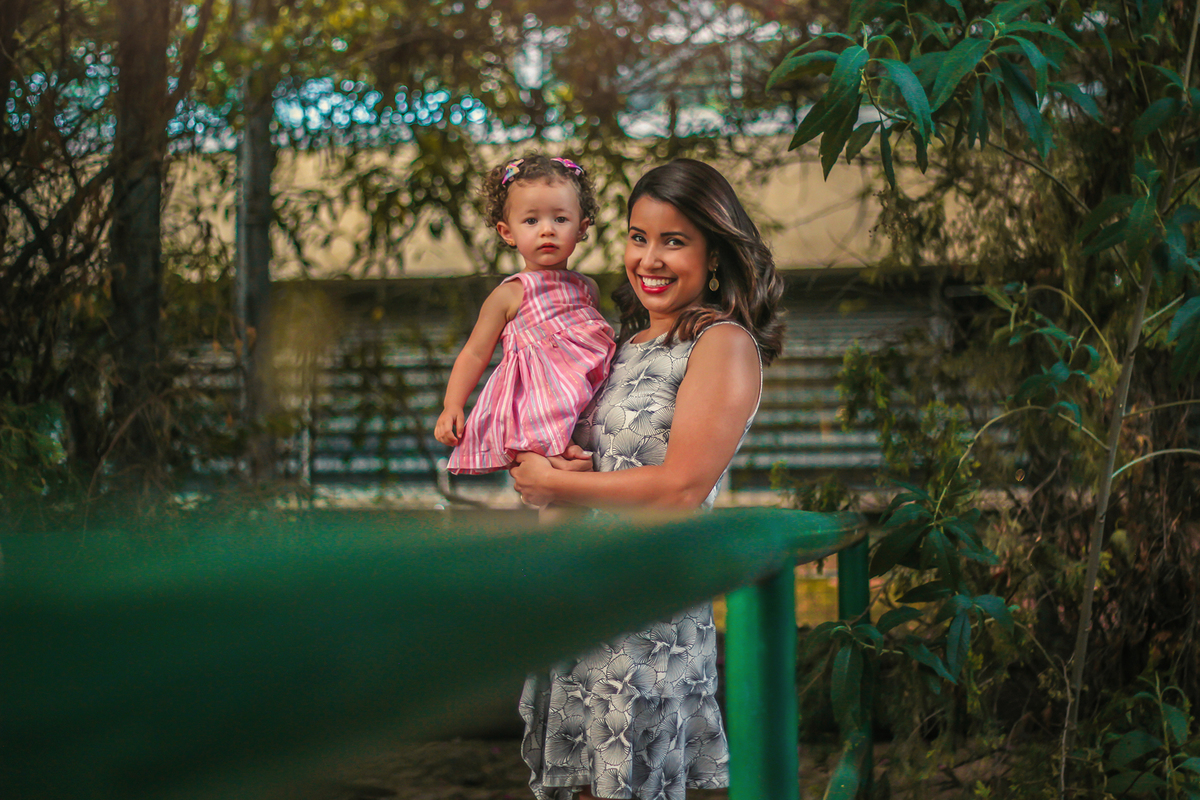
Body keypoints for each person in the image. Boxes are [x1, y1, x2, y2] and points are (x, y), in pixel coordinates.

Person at [509, 159, 786, 800]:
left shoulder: (722, 343)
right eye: (638, 237)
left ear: (713, 255)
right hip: (583, 599)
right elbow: (591, 461)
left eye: (674, 241)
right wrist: (553, 469)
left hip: (649, 616)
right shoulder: (620, 345)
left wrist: (557, 485)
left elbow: (681, 489)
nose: (649, 259)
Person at [434, 154, 616, 481]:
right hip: (538, 405)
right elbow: (474, 352)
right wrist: (452, 405)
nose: (547, 230)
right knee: (555, 482)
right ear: (508, 232)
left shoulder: (587, 288)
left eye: (560, 219)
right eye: (531, 221)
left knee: (578, 475)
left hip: (587, 404)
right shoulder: (511, 293)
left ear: (581, 228)